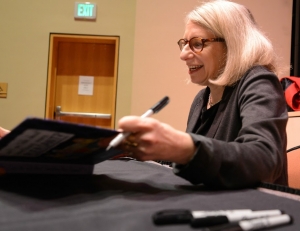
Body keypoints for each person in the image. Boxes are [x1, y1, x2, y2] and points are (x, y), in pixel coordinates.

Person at [117, 0, 288, 189]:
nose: (183, 54)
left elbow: (264, 161)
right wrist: (140, 148)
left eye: (197, 43)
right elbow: (201, 164)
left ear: (232, 44)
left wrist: (182, 147)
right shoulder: (201, 99)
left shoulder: (259, 81)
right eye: (184, 44)